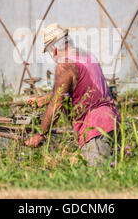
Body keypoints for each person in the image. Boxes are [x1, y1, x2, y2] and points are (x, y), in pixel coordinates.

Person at [25, 23, 121, 167]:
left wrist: (40, 134)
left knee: (100, 180)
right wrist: (44, 99)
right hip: (112, 122)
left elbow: (56, 105)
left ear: (55, 49)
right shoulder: (87, 56)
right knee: (115, 178)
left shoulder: (64, 65)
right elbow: (77, 88)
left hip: (95, 128)